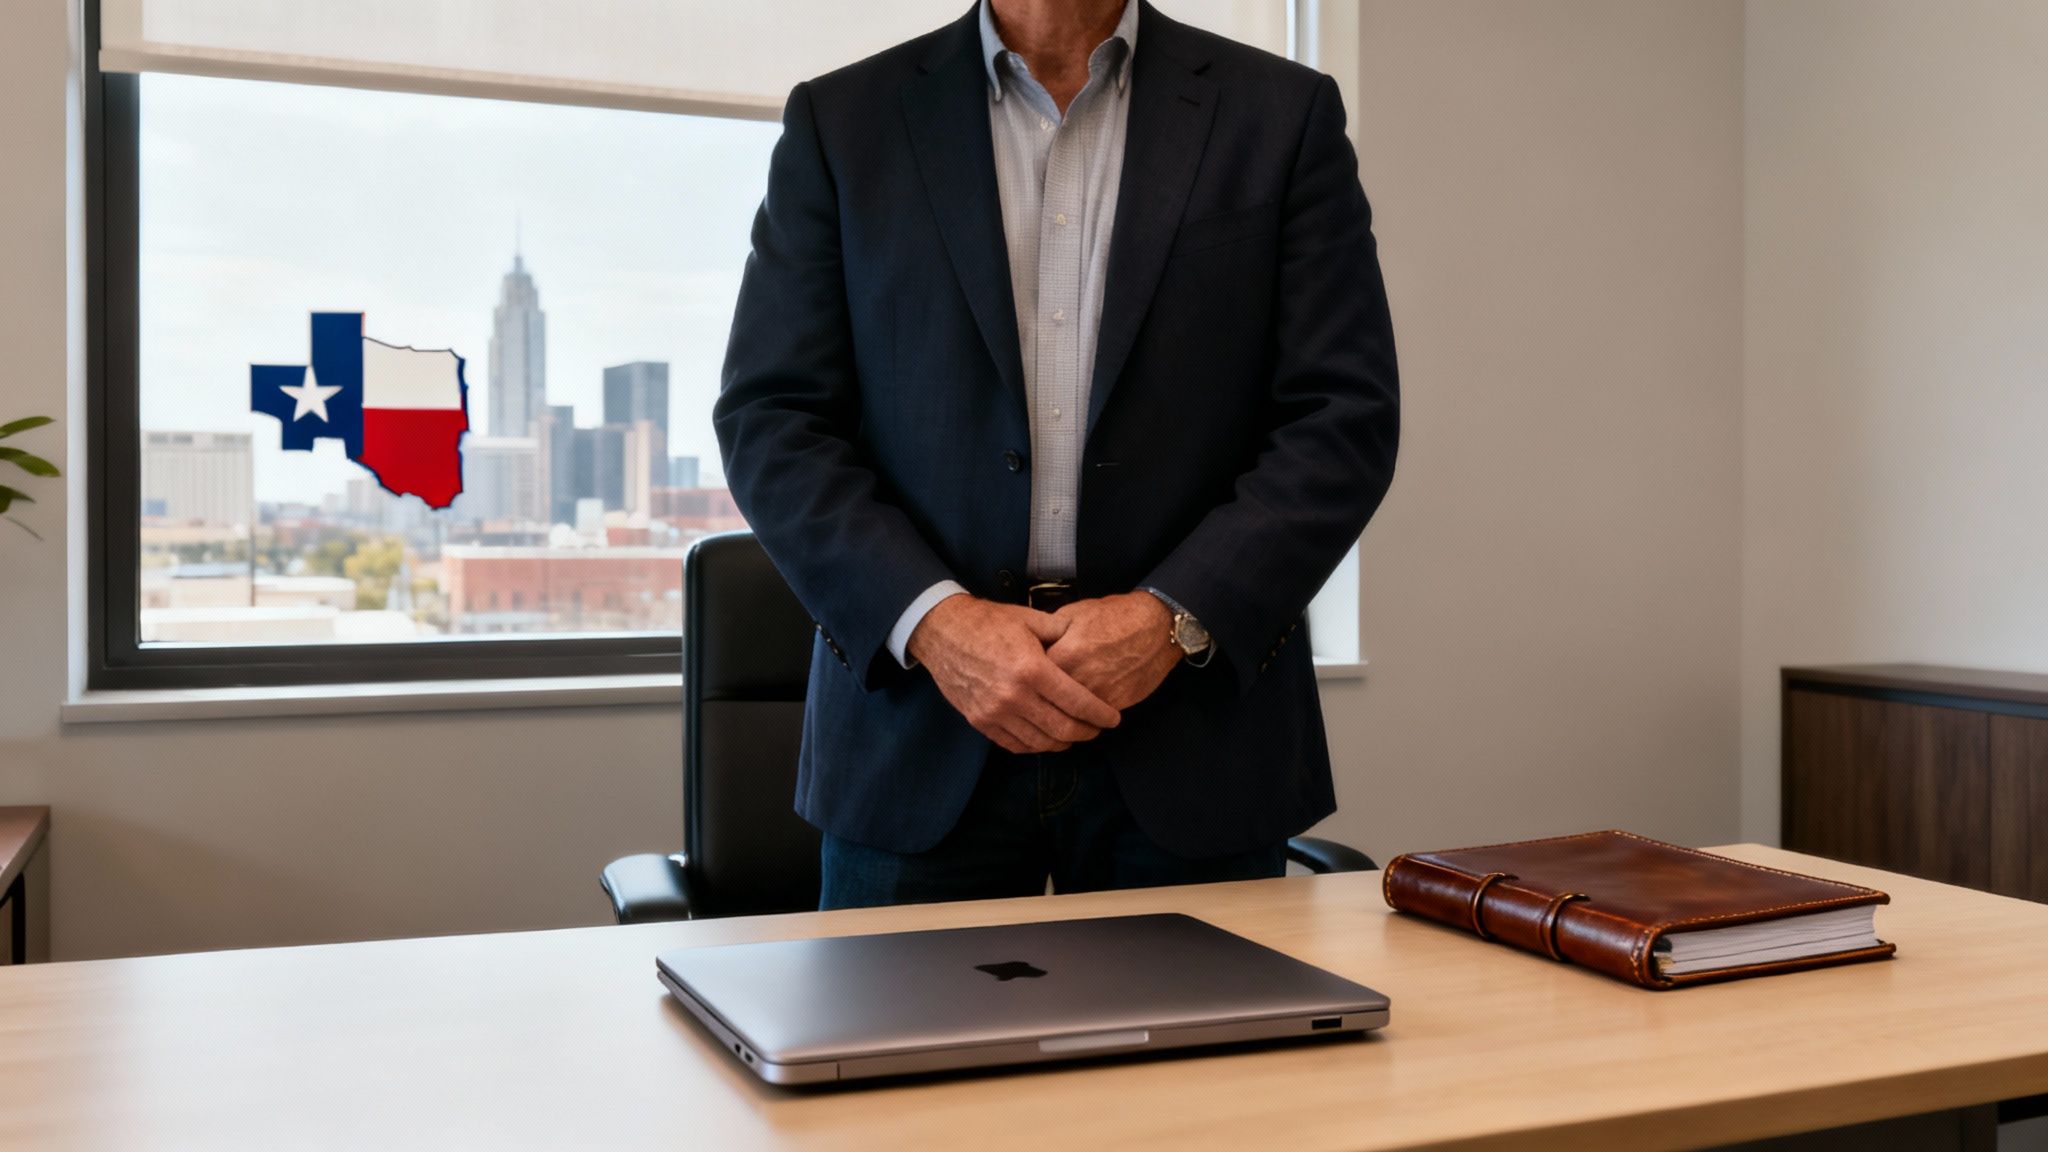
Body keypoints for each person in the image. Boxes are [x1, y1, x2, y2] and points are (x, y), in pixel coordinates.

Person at [714, 0, 1398, 908]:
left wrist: (1175, 618)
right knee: (911, 1054)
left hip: (1189, 733)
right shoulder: (844, 123)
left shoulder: (1282, 114)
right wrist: (934, 623)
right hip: (921, 732)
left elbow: (1341, 417)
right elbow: (772, 418)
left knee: (1209, 1058)